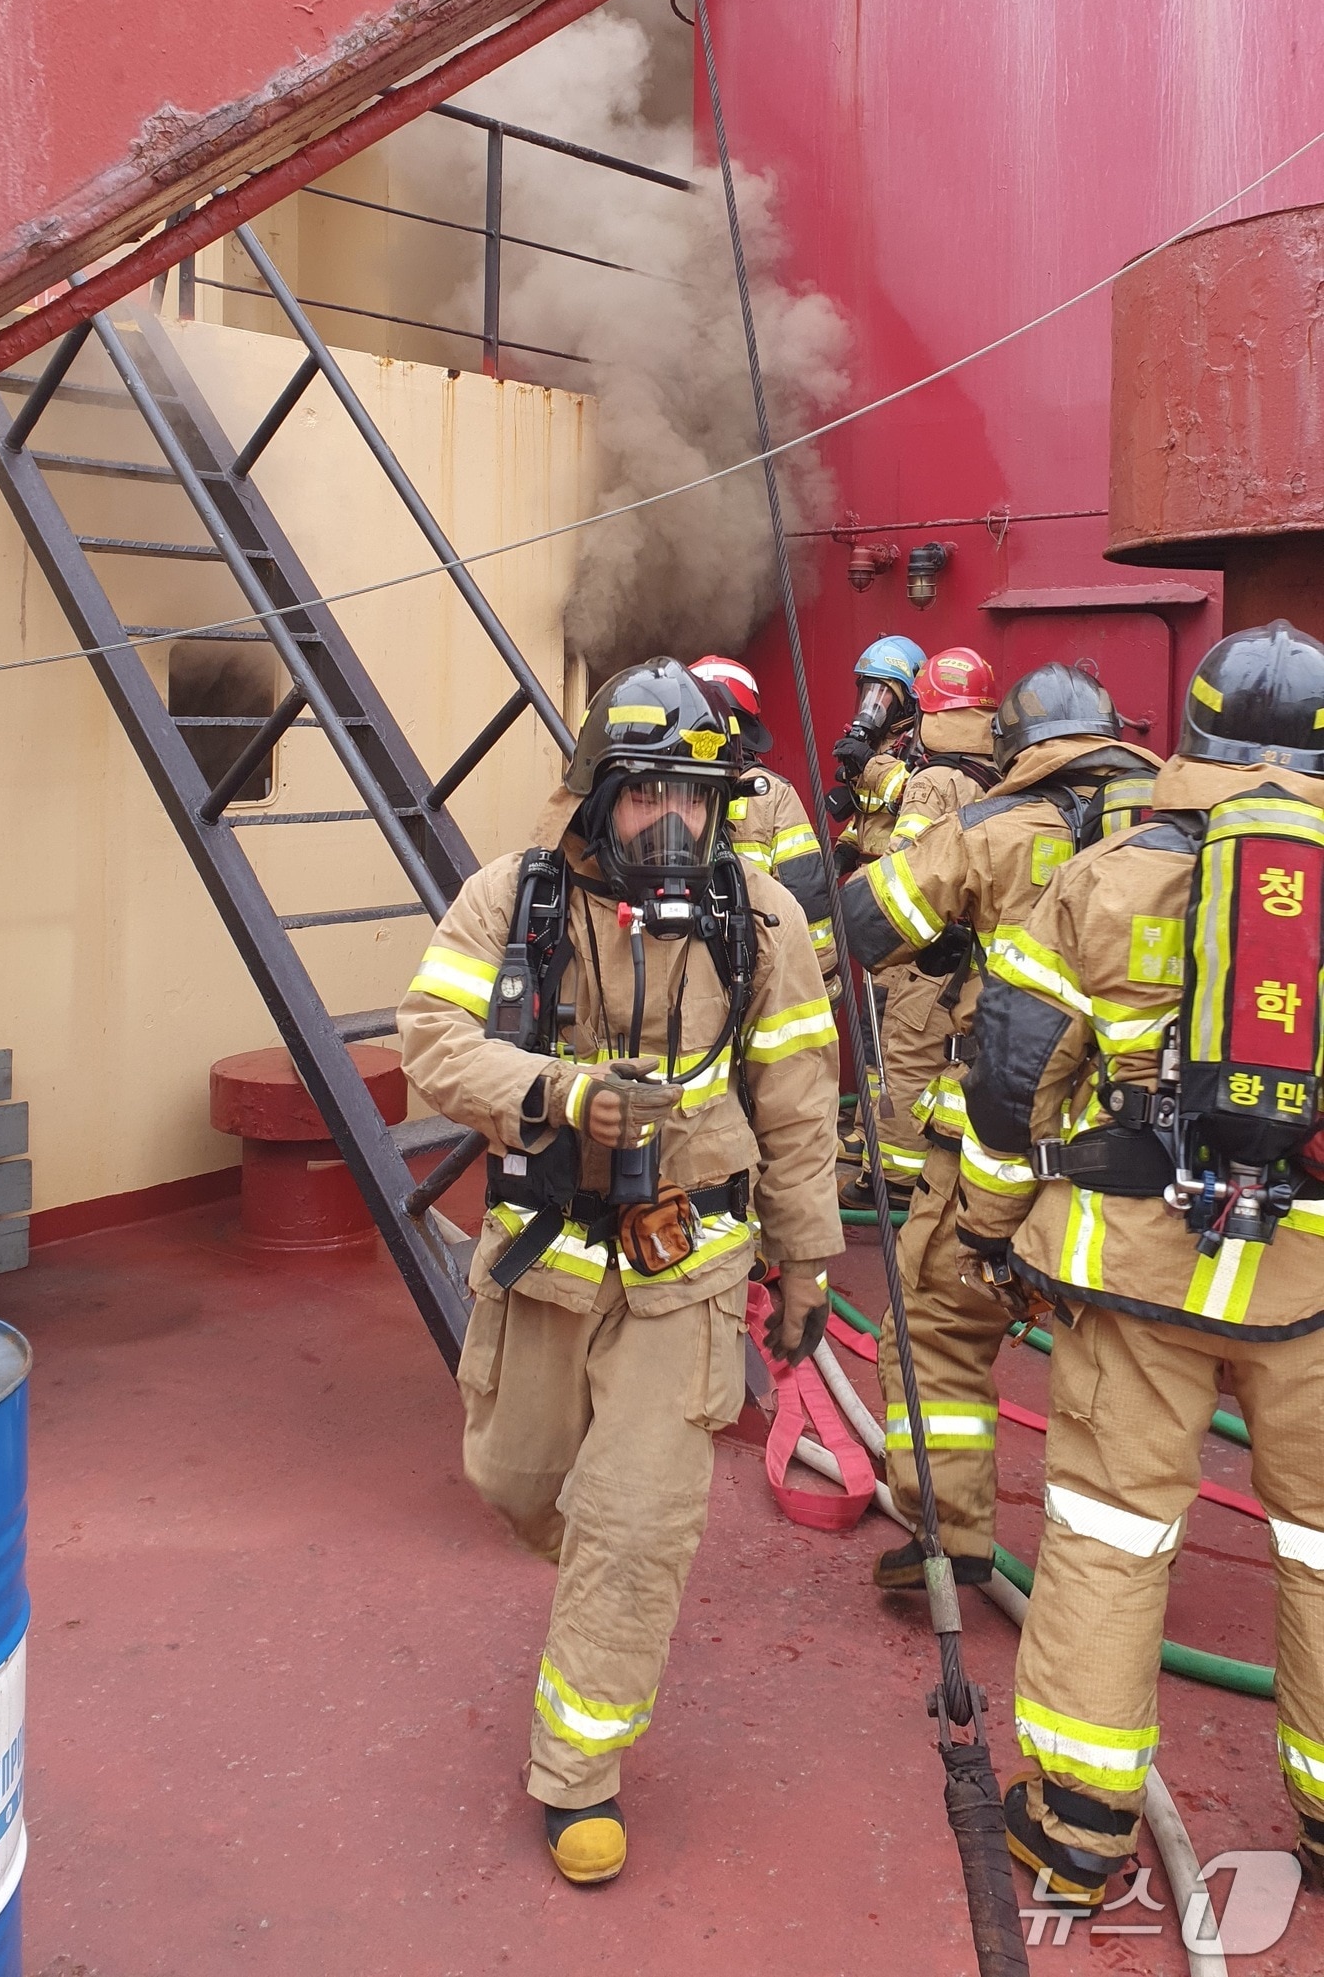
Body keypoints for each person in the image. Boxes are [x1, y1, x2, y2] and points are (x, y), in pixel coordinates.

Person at [396, 657, 843, 1887]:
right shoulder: (511, 896)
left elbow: (799, 1101)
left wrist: (806, 1256)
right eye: (648, 795)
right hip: (541, 1260)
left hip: (688, 1272)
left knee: (637, 1523)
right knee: (516, 1481)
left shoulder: (763, 921)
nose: (674, 824)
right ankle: (589, 1576)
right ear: (598, 792)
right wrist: (557, 1092)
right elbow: (429, 1036)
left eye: (695, 800)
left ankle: (575, 1771)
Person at [962, 623, 1324, 1905]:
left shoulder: (1109, 872)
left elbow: (1010, 1080)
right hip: (1312, 1291)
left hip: (1136, 1272)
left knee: (1110, 1533)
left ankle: (1076, 1827)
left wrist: (990, 1228)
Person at [838, 662, 1160, 1591]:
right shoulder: (1193, 831)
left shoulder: (996, 829)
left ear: (1015, 747)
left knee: (936, 1317)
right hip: (1155, 1159)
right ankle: (1115, 1552)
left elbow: (865, 921)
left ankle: (952, 1533)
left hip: (1001, 1131)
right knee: (1135, 1353)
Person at [850, 646, 1001, 1192]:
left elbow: (910, 864)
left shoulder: (933, 779)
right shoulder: (994, 773)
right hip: (972, 953)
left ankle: (889, 1177)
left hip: (923, 952)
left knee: (903, 1057)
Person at [690, 653, 835, 973]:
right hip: (760, 965)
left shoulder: (661, 792)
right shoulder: (773, 794)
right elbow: (806, 891)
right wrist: (820, 976)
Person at [829, 636, 929, 873]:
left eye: (882, 691)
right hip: (871, 874)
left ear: (908, 698)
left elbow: (919, 798)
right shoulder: (879, 743)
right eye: (867, 691)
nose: (871, 704)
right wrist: (847, 846)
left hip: (903, 875)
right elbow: (872, 816)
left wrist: (869, 763)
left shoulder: (924, 742)